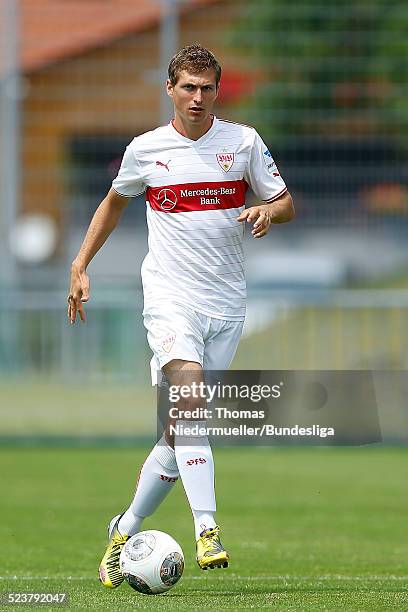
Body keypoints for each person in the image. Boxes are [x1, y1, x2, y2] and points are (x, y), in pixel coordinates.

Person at [67, 44, 294, 588]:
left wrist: (266, 209)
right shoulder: (146, 150)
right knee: (190, 400)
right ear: (170, 89)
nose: (197, 97)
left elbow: (285, 201)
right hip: (169, 298)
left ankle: (125, 529)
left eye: (207, 88)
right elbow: (114, 202)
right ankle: (207, 528)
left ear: (218, 91)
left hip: (227, 305)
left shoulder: (242, 142)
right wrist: (79, 264)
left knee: (178, 433)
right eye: (188, 87)